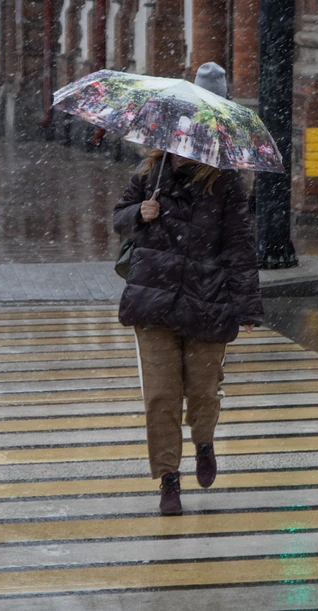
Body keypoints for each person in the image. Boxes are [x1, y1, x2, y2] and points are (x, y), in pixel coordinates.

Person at [112, 62, 262, 516]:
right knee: (160, 395)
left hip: (207, 303)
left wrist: (246, 304)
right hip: (152, 301)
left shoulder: (228, 185)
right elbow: (119, 218)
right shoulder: (150, 174)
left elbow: (239, 248)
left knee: (201, 391)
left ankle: (204, 442)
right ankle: (168, 479)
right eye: (180, 133)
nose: (183, 144)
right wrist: (141, 212)